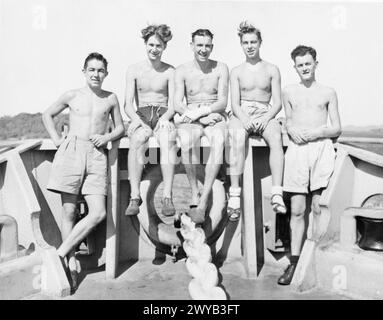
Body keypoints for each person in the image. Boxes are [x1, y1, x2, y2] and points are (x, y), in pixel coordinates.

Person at [43, 52, 125, 290]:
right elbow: (47, 114)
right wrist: (57, 139)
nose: (96, 74)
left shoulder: (110, 98)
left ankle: (59, 253)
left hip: (97, 155)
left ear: (106, 73)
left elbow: (120, 127)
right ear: (84, 71)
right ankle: (70, 263)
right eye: (92, 70)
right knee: (68, 211)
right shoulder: (72, 95)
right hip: (72, 151)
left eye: (100, 70)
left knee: (98, 213)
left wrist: (107, 136)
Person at [278, 45, 341, 285]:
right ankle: (294, 264)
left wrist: (316, 133)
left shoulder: (328, 92)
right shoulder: (288, 91)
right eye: (300, 64)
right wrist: (290, 128)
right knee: (296, 210)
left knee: (317, 208)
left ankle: (314, 261)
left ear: (316, 63)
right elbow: (290, 121)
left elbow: (336, 127)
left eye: (308, 63)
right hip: (297, 152)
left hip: (321, 149)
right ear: (295, 67)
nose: (305, 68)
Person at [227, 21, 286, 222]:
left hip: (264, 112)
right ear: (241, 45)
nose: (250, 46)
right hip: (241, 112)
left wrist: (266, 117)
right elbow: (234, 104)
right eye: (246, 42)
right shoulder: (236, 71)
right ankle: (234, 195)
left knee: (276, 138)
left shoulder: (272, 69)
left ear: (260, 43)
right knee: (235, 138)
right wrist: (244, 118)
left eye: (253, 42)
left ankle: (277, 192)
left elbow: (277, 102)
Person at [174, 29, 228, 224]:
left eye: (207, 46)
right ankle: (194, 191)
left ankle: (204, 200)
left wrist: (205, 113)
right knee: (186, 142)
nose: (203, 50)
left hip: (215, 115)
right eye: (199, 45)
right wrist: (199, 117)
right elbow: (177, 103)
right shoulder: (182, 70)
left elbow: (222, 102)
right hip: (193, 117)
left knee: (219, 140)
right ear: (192, 46)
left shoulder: (221, 68)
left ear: (212, 47)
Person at [124, 24, 177, 217]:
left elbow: (173, 104)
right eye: (151, 45)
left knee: (168, 139)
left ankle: (167, 196)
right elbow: (128, 103)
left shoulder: (170, 71)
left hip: (163, 112)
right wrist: (136, 121)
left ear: (164, 47)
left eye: (159, 46)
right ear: (145, 44)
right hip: (142, 113)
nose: (154, 49)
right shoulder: (134, 70)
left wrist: (165, 118)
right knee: (138, 139)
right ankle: (135, 196)